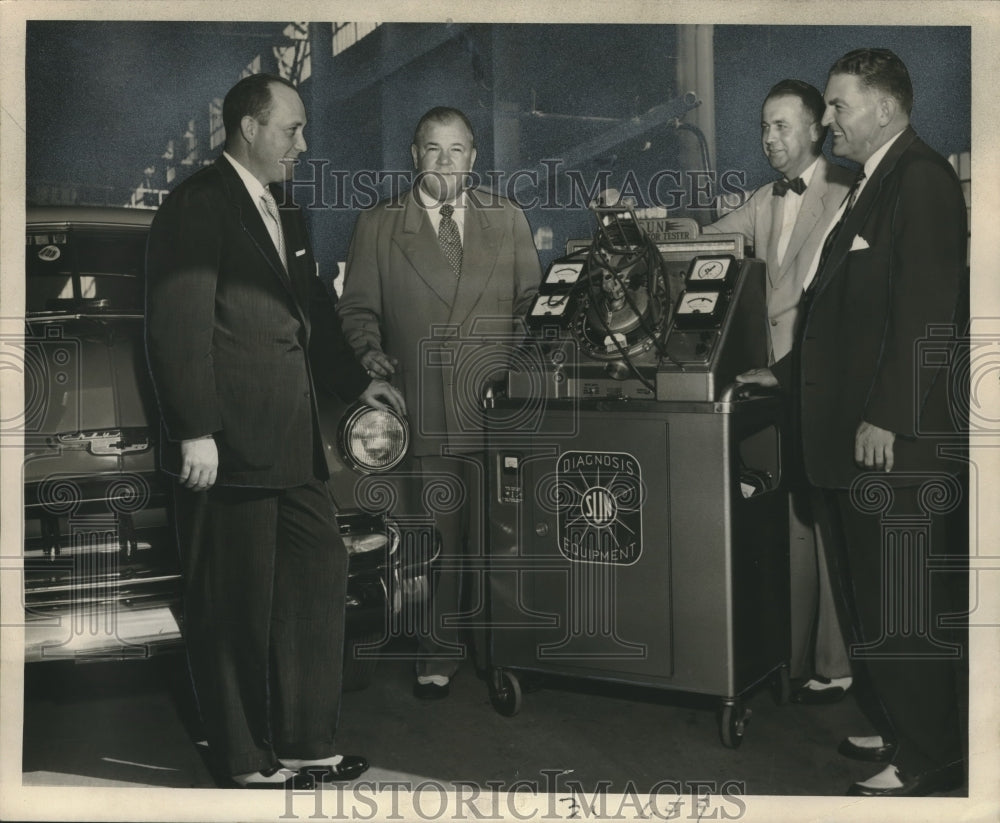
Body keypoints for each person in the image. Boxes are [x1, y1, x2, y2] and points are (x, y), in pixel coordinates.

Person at [145, 73, 401, 789]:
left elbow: (309, 307)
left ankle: (306, 742)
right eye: (292, 129)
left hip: (290, 440)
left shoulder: (282, 205)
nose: (303, 143)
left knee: (318, 573)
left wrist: (358, 381)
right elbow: (176, 321)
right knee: (233, 603)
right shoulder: (197, 204)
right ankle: (245, 759)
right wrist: (196, 429)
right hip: (228, 444)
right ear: (249, 129)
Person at [738, 48, 968, 796]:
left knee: (900, 604)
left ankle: (930, 752)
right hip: (855, 442)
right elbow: (842, 316)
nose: (827, 120)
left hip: (889, 444)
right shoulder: (872, 186)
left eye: (837, 106)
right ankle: (897, 720)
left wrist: (887, 418)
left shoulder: (922, 181)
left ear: (886, 108)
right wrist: (786, 370)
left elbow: (926, 316)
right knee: (871, 599)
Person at [338, 106, 541, 699]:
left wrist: (514, 372)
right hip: (422, 407)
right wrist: (369, 354)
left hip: (495, 410)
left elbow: (533, 304)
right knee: (434, 540)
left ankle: (503, 649)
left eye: (457, 151)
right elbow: (357, 310)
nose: (445, 162)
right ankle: (439, 651)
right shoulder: (379, 224)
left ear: (474, 159)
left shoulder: (508, 218)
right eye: (433, 150)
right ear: (414, 155)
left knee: (503, 537)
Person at [704, 79, 855, 704]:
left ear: (816, 128)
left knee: (827, 523)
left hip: (821, 377)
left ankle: (839, 662)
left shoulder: (849, 194)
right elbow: (706, 238)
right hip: (771, 381)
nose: (770, 138)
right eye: (764, 127)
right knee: (790, 519)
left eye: (782, 126)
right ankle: (792, 660)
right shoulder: (763, 200)